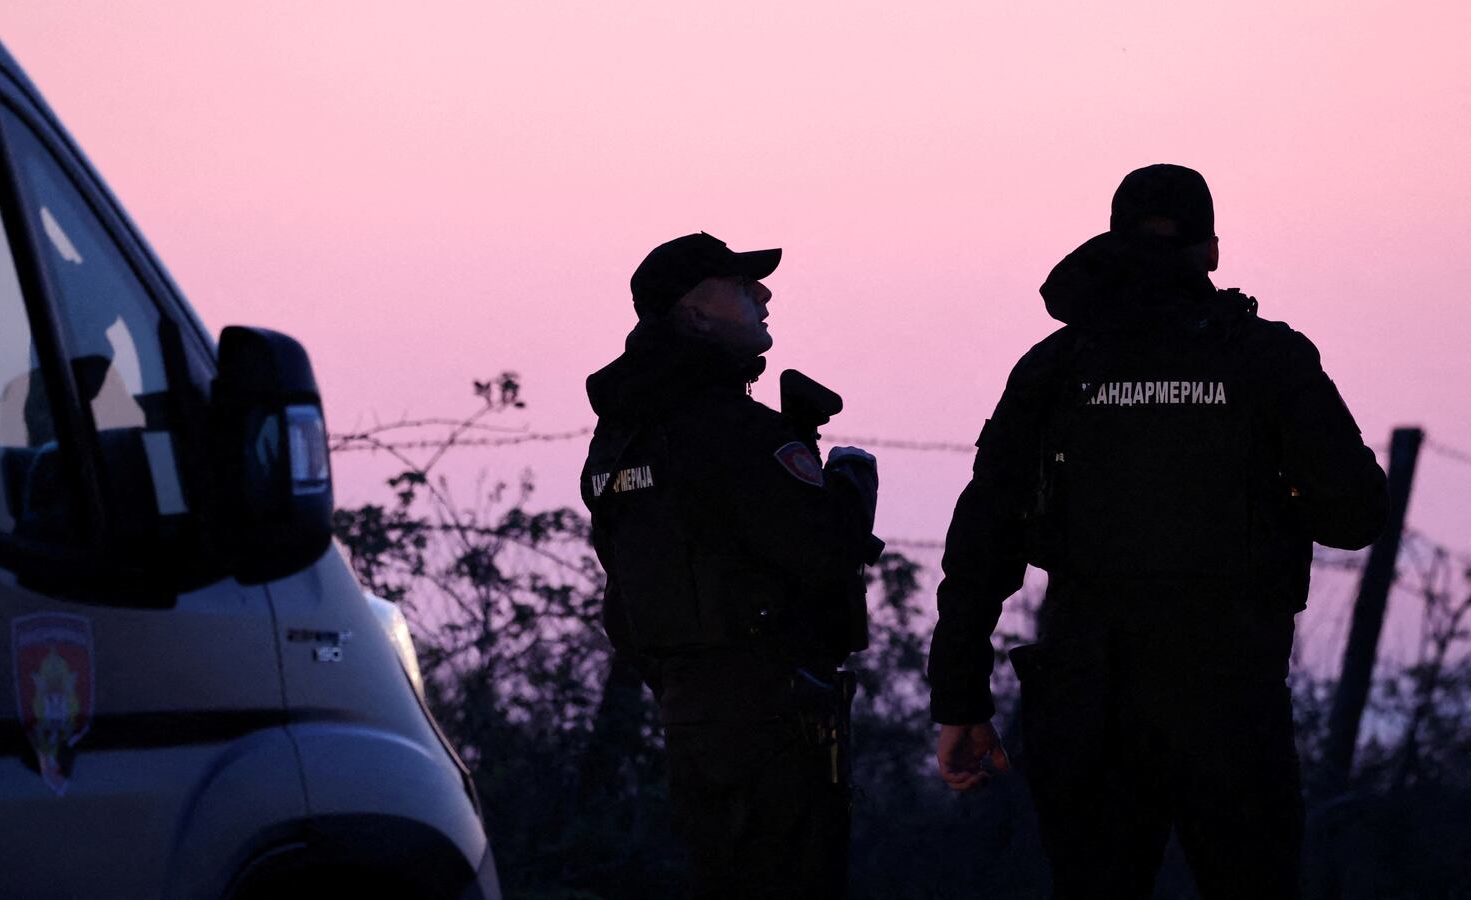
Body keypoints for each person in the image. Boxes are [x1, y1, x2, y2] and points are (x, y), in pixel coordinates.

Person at [927, 165, 1389, 899]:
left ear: (1113, 241)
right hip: (1232, 701)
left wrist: (959, 700)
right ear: (1210, 251)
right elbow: (1358, 515)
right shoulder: (1265, 357)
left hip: (1087, 702)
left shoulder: (1055, 366)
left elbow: (984, 539)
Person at [581, 232, 879, 898]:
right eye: (741, 286)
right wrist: (850, 476)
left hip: (690, 715)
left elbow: (630, 590)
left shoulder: (618, 438)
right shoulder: (732, 430)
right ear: (694, 313)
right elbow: (826, 550)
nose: (762, 296)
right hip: (776, 716)